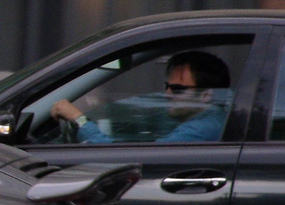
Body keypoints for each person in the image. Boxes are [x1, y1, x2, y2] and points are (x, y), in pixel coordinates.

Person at [51, 50, 231, 144]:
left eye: (177, 88)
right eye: (167, 87)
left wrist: (79, 119)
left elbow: (126, 161)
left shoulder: (199, 131)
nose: (167, 94)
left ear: (206, 95)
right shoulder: (212, 121)